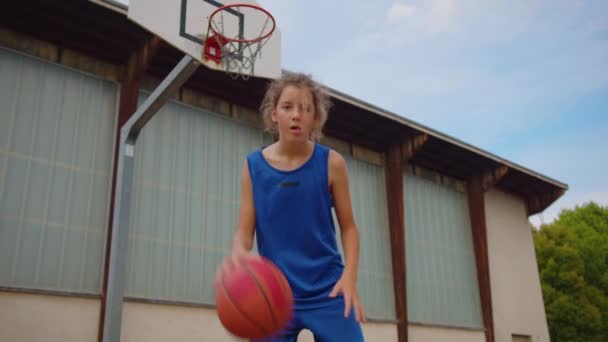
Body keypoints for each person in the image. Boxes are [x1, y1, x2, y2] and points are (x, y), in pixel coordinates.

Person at [216, 72, 366, 341]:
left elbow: (349, 228)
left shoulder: (332, 164)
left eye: (305, 108)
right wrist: (238, 252)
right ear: (274, 114)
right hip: (274, 292)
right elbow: (244, 231)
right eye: (287, 107)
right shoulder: (253, 166)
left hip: (328, 290)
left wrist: (350, 277)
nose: (296, 115)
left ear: (315, 118)